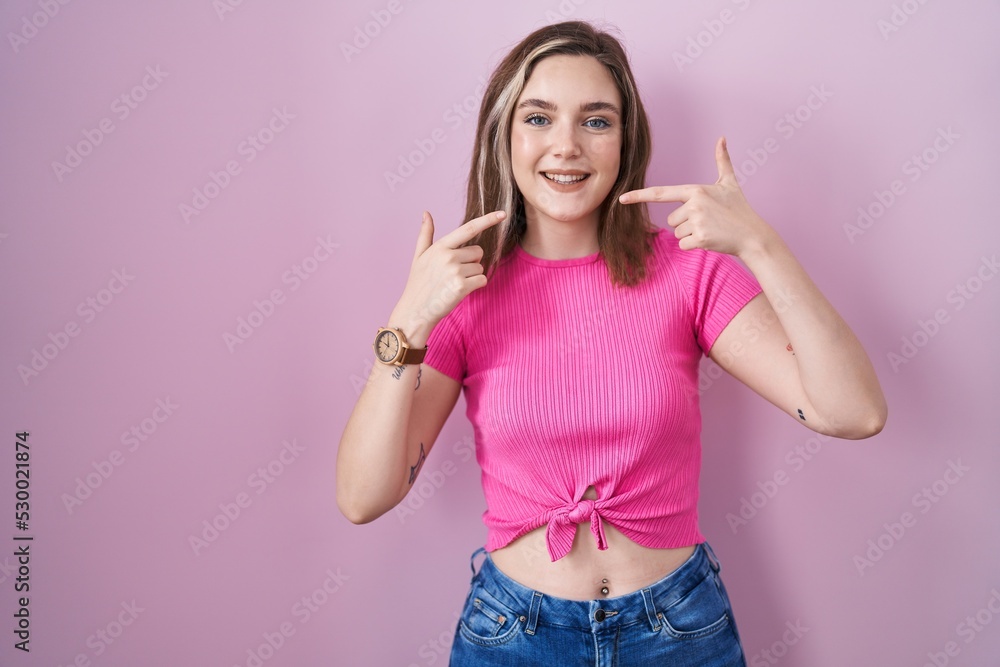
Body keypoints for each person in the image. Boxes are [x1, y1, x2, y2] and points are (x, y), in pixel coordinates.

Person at [337, 20, 887, 666]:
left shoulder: (689, 272)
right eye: (538, 118)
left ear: (625, 141)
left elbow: (855, 410)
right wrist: (409, 320)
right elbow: (362, 496)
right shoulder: (466, 294)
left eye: (595, 121)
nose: (566, 146)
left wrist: (759, 246)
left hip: (678, 630)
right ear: (503, 135)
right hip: (515, 635)